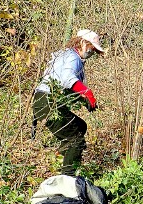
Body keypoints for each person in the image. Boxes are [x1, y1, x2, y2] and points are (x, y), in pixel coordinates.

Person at [33, 29, 104, 175]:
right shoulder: (73, 58)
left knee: (80, 126)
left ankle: (62, 159)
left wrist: (84, 101)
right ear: (83, 43)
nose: (92, 53)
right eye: (92, 48)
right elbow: (67, 78)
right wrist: (87, 93)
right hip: (48, 102)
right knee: (75, 139)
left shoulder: (65, 54)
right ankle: (68, 177)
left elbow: (63, 85)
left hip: (44, 101)